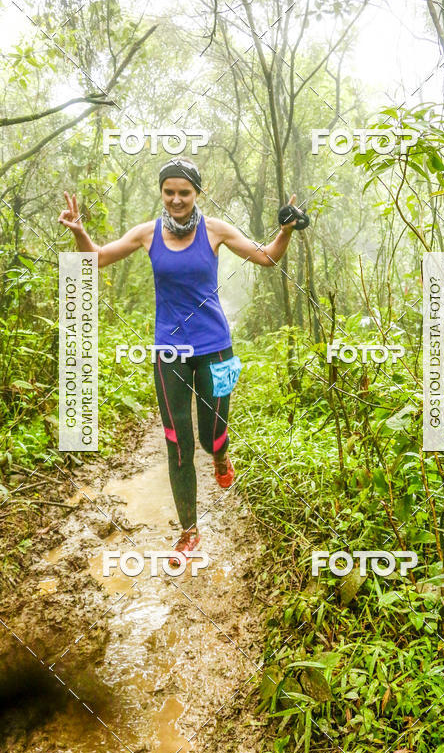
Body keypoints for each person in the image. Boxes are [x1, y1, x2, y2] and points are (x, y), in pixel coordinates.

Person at [59, 158, 304, 563]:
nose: (176, 199)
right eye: (169, 192)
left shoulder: (216, 231)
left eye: (184, 193)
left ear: (197, 194)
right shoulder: (146, 234)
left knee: (210, 439)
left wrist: (285, 231)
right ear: (162, 193)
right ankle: (189, 531)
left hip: (216, 349)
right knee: (178, 443)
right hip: (168, 353)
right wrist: (81, 234)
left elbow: (266, 258)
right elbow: (97, 259)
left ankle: (221, 456)